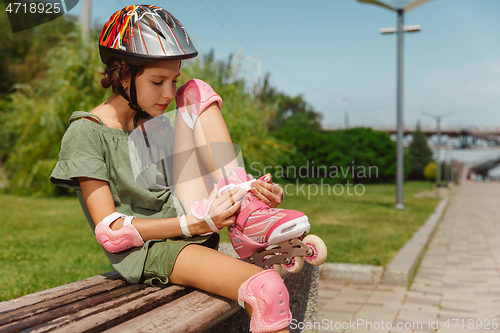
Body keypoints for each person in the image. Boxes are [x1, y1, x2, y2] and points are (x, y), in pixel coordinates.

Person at [50, 5, 311, 332]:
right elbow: (111, 232)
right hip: (152, 250)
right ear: (123, 74)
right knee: (268, 292)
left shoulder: (153, 126)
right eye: (157, 81)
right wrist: (195, 223)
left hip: (189, 224)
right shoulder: (86, 132)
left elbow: (188, 183)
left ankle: (248, 214)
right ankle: (246, 220)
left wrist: (249, 189)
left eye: (172, 80)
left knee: (196, 91)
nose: (168, 93)